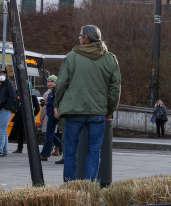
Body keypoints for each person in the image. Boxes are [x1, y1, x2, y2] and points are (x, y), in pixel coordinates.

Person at [55, 25, 121, 182]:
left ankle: (71, 187)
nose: (78, 38)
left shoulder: (72, 56)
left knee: (70, 150)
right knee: (94, 151)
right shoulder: (109, 58)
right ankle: (90, 186)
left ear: (85, 37)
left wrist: (58, 103)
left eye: (80, 35)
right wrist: (110, 109)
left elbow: (61, 84)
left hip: (74, 111)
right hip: (98, 111)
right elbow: (116, 87)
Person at [9, 88, 40, 153]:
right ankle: (19, 148)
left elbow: (37, 108)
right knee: (20, 133)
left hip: (27, 118)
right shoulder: (19, 97)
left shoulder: (32, 97)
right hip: (19, 117)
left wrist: (32, 115)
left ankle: (31, 149)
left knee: (29, 134)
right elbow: (16, 105)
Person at [40, 74, 63, 160]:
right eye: (48, 81)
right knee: (51, 134)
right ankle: (61, 147)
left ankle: (45, 154)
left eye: (52, 81)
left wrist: (41, 117)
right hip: (52, 114)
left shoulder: (53, 92)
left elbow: (55, 103)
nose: (50, 83)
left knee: (49, 135)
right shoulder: (53, 91)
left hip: (53, 114)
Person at [0, 70, 17, 156]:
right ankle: (4, 150)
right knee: (4, 131)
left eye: (3, 74)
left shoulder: (8, 84)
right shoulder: (3, 84)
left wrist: (6, 106)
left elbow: (12, 96)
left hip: (6, 109)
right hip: (3, 109)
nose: (1, 75)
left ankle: (0, 150)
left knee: (1, 130)